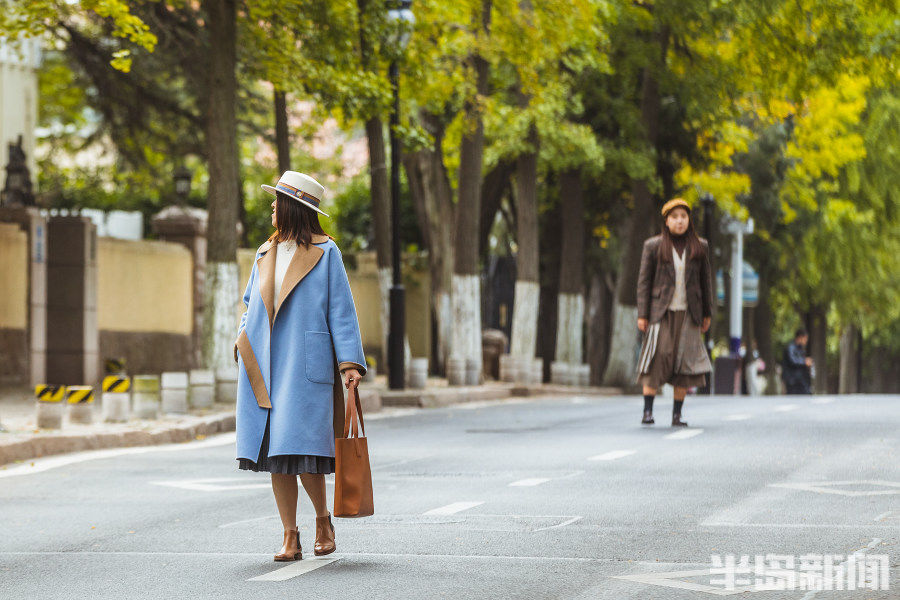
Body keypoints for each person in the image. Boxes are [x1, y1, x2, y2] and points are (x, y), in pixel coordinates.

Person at [233, 171, 367, 561]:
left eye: (277, 200)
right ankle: (290, 536)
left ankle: (322, 521)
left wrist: (348, 362)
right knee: (276, 454)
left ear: (292, 207)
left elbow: (341, 310)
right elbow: (249, 305)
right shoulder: (263, 252)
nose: (272, 206)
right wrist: (242, 339)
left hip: (303, 366)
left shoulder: (327, 253)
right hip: (263, 366)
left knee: (303, 450)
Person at [635, 198, 714, 426]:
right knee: (656, 359)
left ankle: (677, 415)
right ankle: (647, 411)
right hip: (661, 313)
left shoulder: (700, 246)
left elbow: (705, 282)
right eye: (675, 217)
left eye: (684, 216)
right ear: (667, 221)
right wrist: (643, 314)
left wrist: (707, 313)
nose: (680, 221)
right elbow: (643, 282)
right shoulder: (653, 246)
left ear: (689, 220)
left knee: (685, 364)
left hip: (690, 314)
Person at [781, 329, 813, 394]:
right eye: (805, 338)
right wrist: (805, 362)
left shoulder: (800, 348)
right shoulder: (791, 347)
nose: (806, 341)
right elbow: (793, 360)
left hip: (800, 380)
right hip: (793, 380)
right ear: (800, 337)